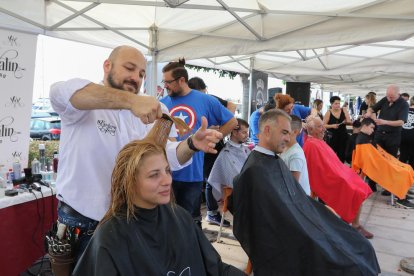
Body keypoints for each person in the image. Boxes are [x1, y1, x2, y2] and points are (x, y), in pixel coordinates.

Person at [50, 46, 223, 261]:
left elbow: (166, 156)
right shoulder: (83, 103)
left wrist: (192, 144)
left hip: (130, 218)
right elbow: (61, 92)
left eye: (141, 74)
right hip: (82, 222)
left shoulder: (153, 110)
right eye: (129, 68)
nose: (136, 78)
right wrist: (132, 101)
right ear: (107, 66)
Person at [230, 109, 380, 276]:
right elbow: (261, 226)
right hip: (290, 238)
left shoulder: (273, 161)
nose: (288, 138)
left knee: (359, 244)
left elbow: (295, 200)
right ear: (267, 130)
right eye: (284, 133)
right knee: (349, 262)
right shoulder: (255, 172)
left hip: (302, 224)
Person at [73, 140, 245, 275]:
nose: (167, 181)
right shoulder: (111, 236)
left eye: (167, 171)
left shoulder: (180, 216)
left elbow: (216, 268)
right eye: (154, 175)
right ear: (130, 182)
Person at [160, 58, 238, 228]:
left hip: (191, 173)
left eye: (168, 82)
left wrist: (215, 137)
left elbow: (232, 122)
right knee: (165, 223)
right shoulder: (162, 104)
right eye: (163, 81)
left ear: (182, 80)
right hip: (165, 173)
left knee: (190, 223)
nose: (165, 86)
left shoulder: (205, 100)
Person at [304, 117, 374, 238]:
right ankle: (355, 225)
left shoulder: (317, 142)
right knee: (356, 190)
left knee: (360, 185)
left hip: (337, 174)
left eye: (322, 126)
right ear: (311, 129)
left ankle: (349, 221)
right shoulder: (311, 145)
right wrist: (342, 176)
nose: (324, 129)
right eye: (320, 127)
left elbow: (332, 163)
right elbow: (318, 171)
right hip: (328, 180)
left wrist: (344, 173)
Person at [188, 76, 236, 227]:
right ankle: (210, 213)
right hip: (197, 148)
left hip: (212, 146)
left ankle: (211, 212)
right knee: (207, 179)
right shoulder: (192, 101)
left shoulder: (209, 99)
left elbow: (232, 107)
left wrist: (220, 128)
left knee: (210, 178)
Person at [352, 118, 414, 208]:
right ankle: (401, 198)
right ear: (365, 126)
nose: (373, 130)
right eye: (371, 128)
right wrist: (389, 163)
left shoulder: (366, 138)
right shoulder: (362, 141)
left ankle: (401, 192)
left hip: (379, 163)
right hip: (375, 166)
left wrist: (390, 161)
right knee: (402, 172)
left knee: (407, 168)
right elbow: (369, 160)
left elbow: (376, 154)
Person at [208, 118, 250, 202]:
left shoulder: (246, 150)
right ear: (234, 132)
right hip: (237, 195)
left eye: (247, 132)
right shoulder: (225, 153)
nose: (247, 135)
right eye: (244, 132)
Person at [280, 115, 311, 196]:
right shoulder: (282, 148)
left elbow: (292, 187)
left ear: (295, 132)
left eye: (284, 131)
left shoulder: (296, 154)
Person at [323, 95, 352, 162]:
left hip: (343, 136)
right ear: (331, 104)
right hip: (332, 137)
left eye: (339, 103)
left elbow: (349, 121)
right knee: (331, 155)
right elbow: (323, 125)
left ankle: (340, 170)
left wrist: (346, 121)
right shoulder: (328, 112)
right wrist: (332, 126)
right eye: (336, 103)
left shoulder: (344, 110)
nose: (338, 105)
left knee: (341, 156)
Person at [400, 96, 414, 169]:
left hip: (402, 136)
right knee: (412, 159)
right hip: (412, 138)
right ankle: (411, 177)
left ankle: (400, 175)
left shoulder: (403, 110)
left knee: (403, 157)